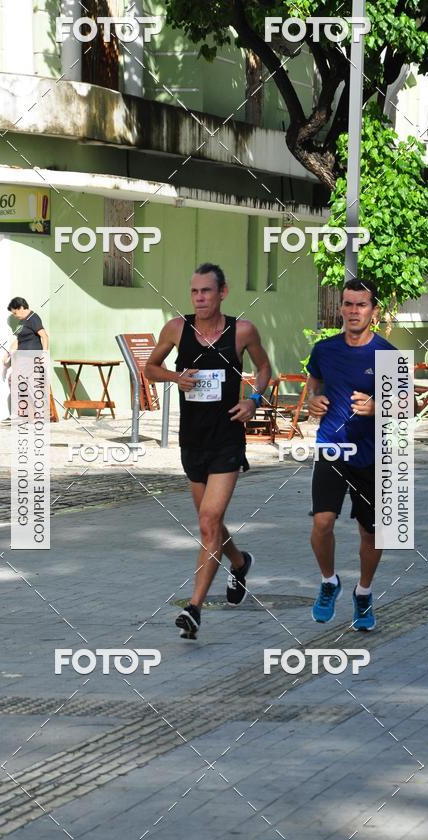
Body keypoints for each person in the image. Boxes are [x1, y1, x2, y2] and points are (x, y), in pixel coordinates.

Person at [145, 263, 271, 639]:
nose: (199, 298)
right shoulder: (176, 328)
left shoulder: (242, 331)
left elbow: (265, 369)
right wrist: (175, 376)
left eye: (206, 291)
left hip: (226, 440)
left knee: (208, 521)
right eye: (194, 291)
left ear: (222, 293)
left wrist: (253, 400)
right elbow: (150, 368)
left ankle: (194, 608)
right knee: (209, 523)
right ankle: (240, 562)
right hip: (192, 440)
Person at [307, 278, 396, 631]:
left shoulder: (387, 354)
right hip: (332, 448)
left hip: (371, 456)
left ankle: (364, 592)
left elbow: (410, 405)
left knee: (371, 534)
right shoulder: (324, 350)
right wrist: (313, 401)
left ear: (374, 310)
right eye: (348, 304)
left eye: (361, 304)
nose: (353, 311)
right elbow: (314, 384)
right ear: (341, 307)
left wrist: (378, 407)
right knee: (321, 522)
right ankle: (329, 582)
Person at [2, 298, 49, 422]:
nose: (15, 315)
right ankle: (37, 414)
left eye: (15, 312)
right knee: (30, 385)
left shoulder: (33, 318)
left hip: (31, 357)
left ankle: (20, 414)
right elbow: (18, 340)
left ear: (21, 307)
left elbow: (44, 336)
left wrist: (44, 354)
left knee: (15, 380)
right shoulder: (22, 321)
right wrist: (7, 354)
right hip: (23, 358)